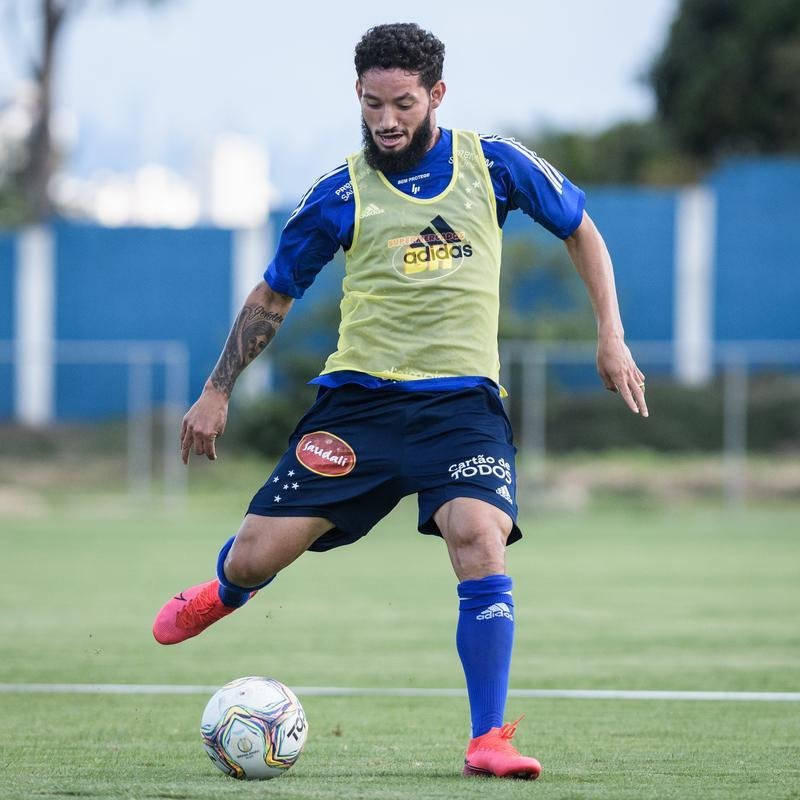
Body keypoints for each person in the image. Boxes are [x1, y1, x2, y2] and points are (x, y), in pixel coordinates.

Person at [153, 22, 648, 780]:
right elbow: (273, 297)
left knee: (479, 537)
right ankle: (224, 589)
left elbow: (582, 229)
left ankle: (489, 740)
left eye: (405, 104)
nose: (387, 120)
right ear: (357, 93)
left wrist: (611, 336)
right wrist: (216, 389)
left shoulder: (495, 165)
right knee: (256, 557)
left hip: (461, 408)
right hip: (360, 408)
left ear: (437, 95)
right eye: (373, 103)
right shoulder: (340, 192)